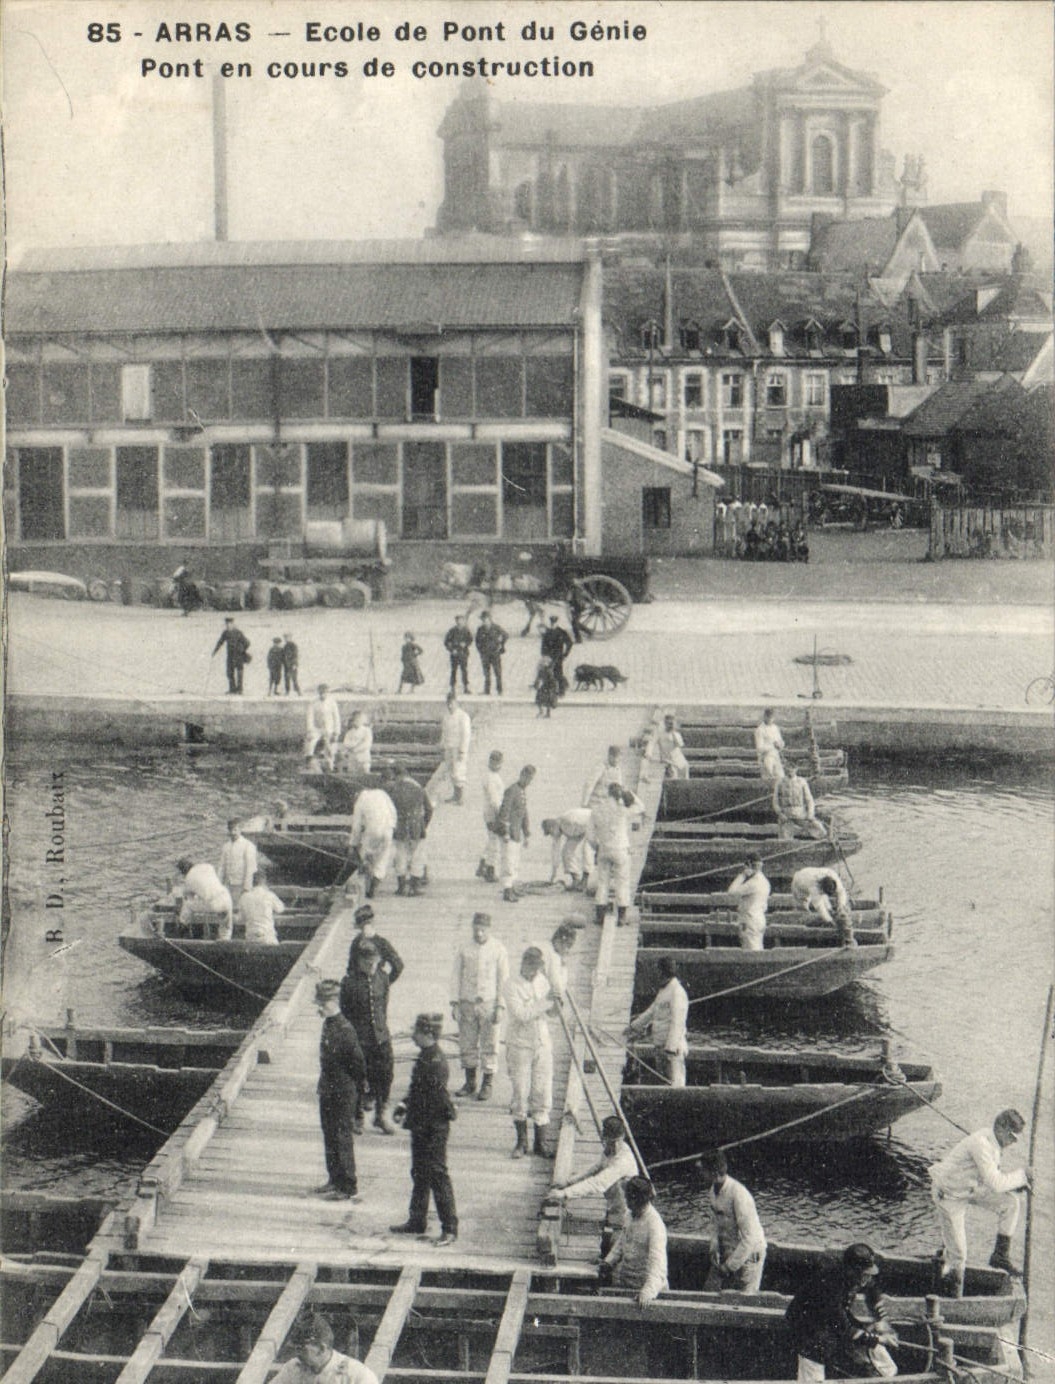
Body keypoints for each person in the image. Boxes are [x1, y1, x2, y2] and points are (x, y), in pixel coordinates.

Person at [929, 1108, 1032, 1297]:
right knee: (959, 1254)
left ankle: (1000, 1255)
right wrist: (1023, 1176)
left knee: (1010, 1203)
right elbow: (995, 1182)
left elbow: (992, 1181)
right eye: (1012, 1137)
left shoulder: (995, 1144)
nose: (1013, 1143)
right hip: (950, 1195)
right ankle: (952, 1295)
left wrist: (1017, 1185)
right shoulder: (981, 1144)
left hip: (970, 1189)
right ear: (1001, 1128)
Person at [389, 1013, 459, 1246]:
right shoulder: (425, 1056)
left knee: (437, 1174)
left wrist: (417, 1119)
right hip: (421, 1123)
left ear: (427, 1034)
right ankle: (417, 1220)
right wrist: (403, 1105)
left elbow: (434, 1098)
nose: (412, 1035)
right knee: (419, 1172)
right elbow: (416, 1089)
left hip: (433, 1126)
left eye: (416, 1032)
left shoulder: (436, 1062)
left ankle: (449, 1228)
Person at [785, 1243, 899, 1380]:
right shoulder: (831, 1288)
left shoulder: (857, 1277)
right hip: (809, 1327)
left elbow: (873, 1291)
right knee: (815, 1352)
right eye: (865, 1274)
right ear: (853, 1271)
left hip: (832, 1321)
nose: (868, 1278)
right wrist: (880, 1339)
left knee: (869, 1333)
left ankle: (886, 1375)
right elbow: (845, 1329)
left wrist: (882, 1320)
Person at [312, 978, 367, 1202]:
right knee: (329, 1134)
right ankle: (334, 1179)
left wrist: (357, 1096)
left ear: (335, 1002)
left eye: (323, 1003)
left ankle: (348, 1185)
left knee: (342, 1137)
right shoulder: (329, 1024)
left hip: (343, 1091)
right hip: (328, 1088)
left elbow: (358, 1065)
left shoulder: (345, 1029)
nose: (319, 1007)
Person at [450, 912, 510, 1102]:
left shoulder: (498, 949)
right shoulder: (464, 949)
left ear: (489, 929)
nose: (479, 933)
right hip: (467, 1002)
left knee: (490, 1044)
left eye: (483, 930)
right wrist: (455, 1003)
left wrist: (500, 1006)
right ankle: (470, 1081)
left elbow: (504, 980)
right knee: (467, 1043)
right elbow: (455, 976)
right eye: (476, 929)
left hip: (489, 1003)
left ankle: (487, 1083)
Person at [339, 941, 397, 1135]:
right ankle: (357, 1116)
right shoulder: (349, 982)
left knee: (386, 1075)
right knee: (357, 1077)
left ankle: (381, 1115)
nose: (371, 966)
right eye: (367, 963)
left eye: (374, 962)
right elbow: (345, 1013)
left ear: (379, 960)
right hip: (359, 1038)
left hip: (380, 1036)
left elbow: (384, 1007)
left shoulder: (383, 979)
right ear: (359, 962)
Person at [504, 947, 556, 1158]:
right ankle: (521, 1143)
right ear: (523, 964)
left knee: (542, 1091)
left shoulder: (543, 981)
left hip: (542, 1043)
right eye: (531, 967)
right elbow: (522, 1014)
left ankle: (540, 1143)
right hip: (520, 1045)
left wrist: (556, 1002)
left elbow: (550, 1013)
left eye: (537, 967)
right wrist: (546, 1002)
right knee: (520, 1091)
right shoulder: (511, 985)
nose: (534, 971)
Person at [547, 1115, 638, 1229]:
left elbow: (597, 1183)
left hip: (628, 1208)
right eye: (610, 1142)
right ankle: (613, 1220)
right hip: (615, 1203)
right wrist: (569, 1182)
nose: (614, 1146)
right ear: (605, 1138)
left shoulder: (623, 1160)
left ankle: (618, 1225)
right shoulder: (609, 1150)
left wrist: (565, 1194)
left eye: (616, 1142)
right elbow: (596, 1169)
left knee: (616, 1230)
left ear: (622, 1137)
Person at [697, 1149, 767, 1294]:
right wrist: (714, 1247)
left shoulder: (739, 1195)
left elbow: (750, 1238)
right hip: (728, 1253)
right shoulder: (713, 1191)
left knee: (744, 1304)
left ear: (714, 1173)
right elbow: (715, 1223)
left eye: (703, 1171)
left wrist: (728, 1267)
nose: (700, 1174)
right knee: (708, 1293)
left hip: (749, 1258)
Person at [599, 1177, 668, 1307]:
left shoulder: (655, 1225)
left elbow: (658, 1265)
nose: (625, 1202)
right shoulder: (629, 1215)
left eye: (628, 1199)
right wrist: (608, 1262)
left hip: (646, 1290)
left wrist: (648, 1291)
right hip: (627, 1283)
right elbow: (622, 1242)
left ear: (636, 1200)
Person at [627, 956, 689, 1087]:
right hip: (660, 1046)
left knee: (675, 1083)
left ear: (663, 972)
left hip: (672, 1049)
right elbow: (651, 1011)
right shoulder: (664, 990)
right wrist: (633, 1027)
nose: (656, 974)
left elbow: (678, 1022)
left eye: (658, 971)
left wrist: (671, 1047)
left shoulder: (677, 992)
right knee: (663, 1081)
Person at [589, 783, 644, 927]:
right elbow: (640, 807)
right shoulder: (622, 810)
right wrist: (630, 792)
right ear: (618, 795)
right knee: (622, 882)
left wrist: (598, 847)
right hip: (620, 849)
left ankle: (600, 916)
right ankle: (622, 917)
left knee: (603, 883)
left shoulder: (596, 810)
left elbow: (589, 836)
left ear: (608, 793)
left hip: (604, 849)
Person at [272, 1312, 378, 1384]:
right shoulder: (293, 1368)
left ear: (321, 1349)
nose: (297, 1354)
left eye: (301, 1349)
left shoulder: (356, 1375)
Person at [388, 765, 432, 897]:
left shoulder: (393, 790)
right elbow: (429, 809)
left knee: (400, 855)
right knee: (417, 857)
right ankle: (414, 887)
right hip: (416, 826)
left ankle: (401, 887)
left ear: (396, 776)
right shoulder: (419, 788)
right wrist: (424, 823)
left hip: (400, 826)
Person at [347, 784, 398, 899]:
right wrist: (393, 827)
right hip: (388, 828)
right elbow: (393, 811)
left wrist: (352, 844)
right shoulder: (382, 793)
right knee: (383, 858)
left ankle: (366, 880)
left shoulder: (360, 801)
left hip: (373, 830)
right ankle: (374, 886)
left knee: (365, 855)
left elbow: (356, 826)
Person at [496, 764, 536, 904]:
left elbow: (524, 814)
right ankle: (507, 890)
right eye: (528, 778)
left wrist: (527, 833)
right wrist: (505, 832)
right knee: (508, 862)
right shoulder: (512, 791)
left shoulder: (522, 792)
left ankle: (511, 888)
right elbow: (504, 812)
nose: (529, 782)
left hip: (517, 834)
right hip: (510, 834)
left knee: (514, 862)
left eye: (531, 780)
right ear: (522, 775)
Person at [791, 867, 855, 946]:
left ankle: (830, 911)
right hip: (799, 883)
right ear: (821, 888)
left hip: (809, 873)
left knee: (829, 907)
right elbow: (819, 906)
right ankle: (802, 935)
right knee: (803, 908)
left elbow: (841, 892)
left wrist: (841, 906)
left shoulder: (833, 875)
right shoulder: (813, 886)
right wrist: (829, 920)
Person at [174, 857, 233, 939]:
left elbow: (189, 898)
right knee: (226, 926)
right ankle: (225, 940)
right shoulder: (208, 866)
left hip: (213, 903)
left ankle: (183, 928)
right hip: (226, 897)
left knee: (187, 905)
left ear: (183, 871)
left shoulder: (188, 879)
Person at [346, 904, 403, 984]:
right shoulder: (382, 943)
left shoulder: (356, 942)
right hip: (377, 986)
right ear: (372, 921)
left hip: (358, 988)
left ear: (358, 926)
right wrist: (386, 983)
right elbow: (398, 966)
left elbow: (350, 969)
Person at [542, 808, 595, 891]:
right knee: (566, 852)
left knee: (587, 850)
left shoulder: (568, 821)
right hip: (580, 829)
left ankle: (584, 881)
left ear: (552, 827)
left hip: (593, 823)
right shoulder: (559, 828)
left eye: (550, 833)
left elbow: (590, 827)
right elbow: (555, 852)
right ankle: (576, 880)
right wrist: (552, 876)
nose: (551, 835)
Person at [218, 817, 258, 917]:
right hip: (228, 884)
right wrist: (219, 884)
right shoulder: (226, 846)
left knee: (241, 911)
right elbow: (222, 867)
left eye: (235, 829)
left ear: (240, 829)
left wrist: (247, 887)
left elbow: (251, 868)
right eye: (230, 830)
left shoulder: (248, 846)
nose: (233, 832)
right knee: (228, 910)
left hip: (241, 885)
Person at [728, 857, 770, 951]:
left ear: (749, 866)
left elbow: (731, 892)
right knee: (758, 948)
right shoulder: (765, 882)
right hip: (759, 918)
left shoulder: (753, 883)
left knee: (750, 951)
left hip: (749, 920)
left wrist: (742, 875)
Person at [477, 750, 505, 884]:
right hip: (493, 814)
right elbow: (495, 800)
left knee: (491, 840)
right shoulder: (492, 778)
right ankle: (490, 870)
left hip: (489, 812)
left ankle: (483, 863)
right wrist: (501, 816)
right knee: (495, 842)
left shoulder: (490, 776)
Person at [440, 692, 472, 806]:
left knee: (459, 771)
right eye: (448, 703)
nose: (450, 706)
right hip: (449, 747)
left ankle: (460, 797)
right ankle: (455, 795)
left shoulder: (463, 716)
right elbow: (444, 732)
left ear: (456, 703)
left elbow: (466, 734)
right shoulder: (446, 717)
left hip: (458, 748)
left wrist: (462, 750)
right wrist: (442, 744)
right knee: (452, 772)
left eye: (452, 703)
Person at [239, 869, 285, 945]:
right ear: (264, 882)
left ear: (252, 882)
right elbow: (281, 909)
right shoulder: (269, 895)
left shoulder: (244, 896)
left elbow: (241, 918)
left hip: (250, 937)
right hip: (267, 937)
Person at [774, 765, 821, 838]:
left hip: (800, 813)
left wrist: (810, 813)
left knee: (819, 829)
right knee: (785, 839)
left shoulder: (801, 782)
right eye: (788, 768)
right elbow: (775, 801)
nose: (790, 770)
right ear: (785, 768)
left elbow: (809, 800)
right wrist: (780, 814)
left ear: (796, 769)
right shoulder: (780, 782)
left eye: (792, 768)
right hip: (786, 815)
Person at [539, 921, 578, 1003]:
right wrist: (563, 967)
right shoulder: (554, 956)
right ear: (558, 941)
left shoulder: (544, 946)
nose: (568, 951)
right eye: (568, 946)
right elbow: (558, 989)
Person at [212, 616, 251, 695]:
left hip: (238, 656)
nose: (228, 625)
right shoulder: (225, 633)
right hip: (230, 655)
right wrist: (215, 651)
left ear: (233, 624)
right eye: (226, 624)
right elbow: (220, 642)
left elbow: (247, 642)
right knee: (229, 672)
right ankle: (232, 689)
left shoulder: (238, 632)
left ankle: (240, 690)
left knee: (239, 672)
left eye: (229, 624)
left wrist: (242, 650)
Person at [305, 685, 342, 764]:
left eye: (325, 693)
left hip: (329, 729)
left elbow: (336, 718)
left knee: (331, 746)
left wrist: (336, 732)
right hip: (317, 729)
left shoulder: (332, 703)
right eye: (321, 693)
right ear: (318, 693)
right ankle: (309, 760)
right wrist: (310, 730)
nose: (323, 695)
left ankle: (331, 763)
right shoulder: (313, 702)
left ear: (328, 693)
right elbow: (310, 717)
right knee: (310, 742)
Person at [475, 609, 508, 696]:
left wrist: (501, 644)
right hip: (485, 654)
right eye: (483, 619)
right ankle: (487, 690)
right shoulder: (480, 629)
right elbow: (477, 641)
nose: (484, 621)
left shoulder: (496, 628)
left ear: (490, 619)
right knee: (486, 673)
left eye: (486, 619)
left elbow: (505, 635)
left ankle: (499, 690)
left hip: (495, 653)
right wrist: (480, 650)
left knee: (498, 672)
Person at [646, 714, 689, 779]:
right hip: (667, 759)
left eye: (672, 723)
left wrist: (673, 733)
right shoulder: (659, 733)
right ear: (665, 723)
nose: (670, 725)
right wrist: (648, 753)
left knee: (685, 767)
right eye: (668, 723)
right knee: (673, 773)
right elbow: (652, 743)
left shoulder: (676, 734)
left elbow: (679, 745)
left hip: (678, 758)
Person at [541, 614, 574, 695]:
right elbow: (543, 644)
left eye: (554, 622)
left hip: (558, 655)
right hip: (549, 656)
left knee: (558, 673)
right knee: (547, 672)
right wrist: (544, 654)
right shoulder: (547, 632)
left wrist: (566, 654)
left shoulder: (561, 632)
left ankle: (561, 690)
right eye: (551, 622)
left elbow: (569, 643)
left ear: (556, 622)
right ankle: (550, 689)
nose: (552, 624)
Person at [444, 614, 473, 694]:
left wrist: (465, 644)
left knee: (464, 671)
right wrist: (451, 650)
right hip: (454, 654)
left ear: (463, 621)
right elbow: (446, 642)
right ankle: (452, 687)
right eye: (458, 620)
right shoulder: (452, 631)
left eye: (461, 620)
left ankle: (466, 687)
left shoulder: (466, 630)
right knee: (454, 671)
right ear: (456, 621)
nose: (459, 622)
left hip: (463, 653)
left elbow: (470, 640)